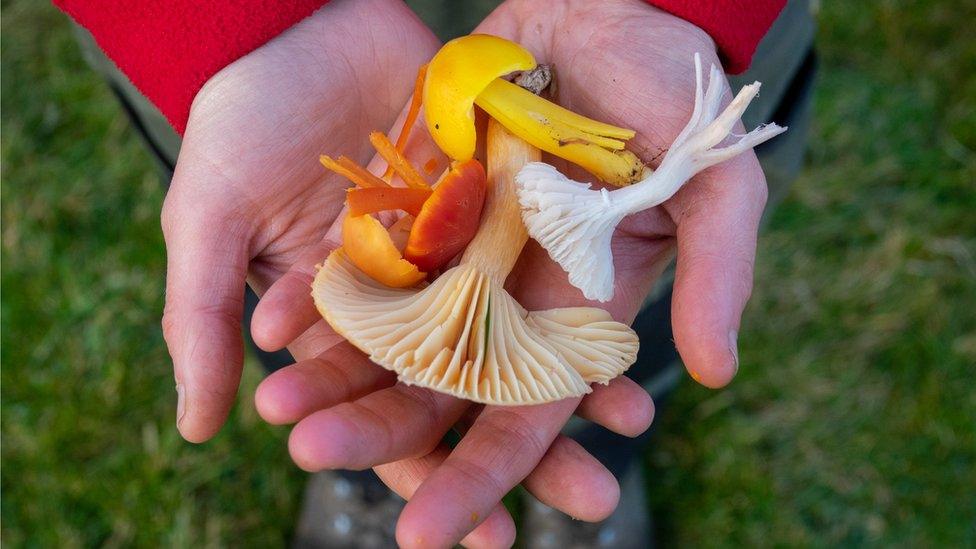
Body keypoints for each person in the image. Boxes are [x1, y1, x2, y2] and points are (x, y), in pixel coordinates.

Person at [57, 0, 815, 546]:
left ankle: (606, 461)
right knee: (297, 314)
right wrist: (226, 29)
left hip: (671, 31)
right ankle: (362, 481)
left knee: (641, 290)